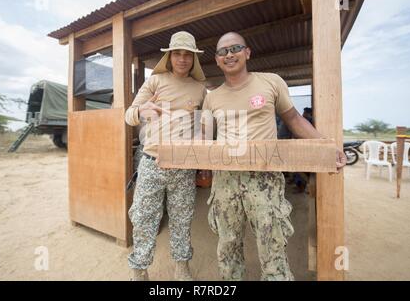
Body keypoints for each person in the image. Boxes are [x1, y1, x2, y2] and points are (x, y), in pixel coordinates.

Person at [201, 32, 346, 281]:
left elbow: (294, 119)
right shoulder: (211, 98)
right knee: (228, 245)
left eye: (235, 48)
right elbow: (204, 139)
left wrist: (325, 147)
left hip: (264, 178)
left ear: (247, 52)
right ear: (217, 60)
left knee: (272, 245)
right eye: (223, 51)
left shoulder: (271, 82)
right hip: (225, 179)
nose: (229, 54)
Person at [124, 31, 206, 281]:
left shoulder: (200, 88)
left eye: (188, 55)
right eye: (177, 54)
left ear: (194, 59)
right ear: (170, 56)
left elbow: (203, 125)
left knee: (182, 218)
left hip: (184, 166)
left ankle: (182, 268)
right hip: (152, 163)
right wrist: (141, 110)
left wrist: (203, 143)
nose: (182, 59)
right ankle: (139, 271)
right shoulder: (154, 82)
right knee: (144, 218)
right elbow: (128, 115)